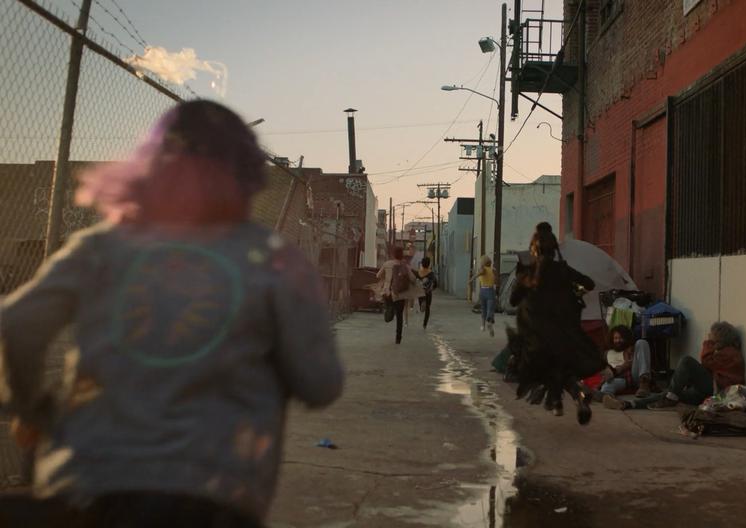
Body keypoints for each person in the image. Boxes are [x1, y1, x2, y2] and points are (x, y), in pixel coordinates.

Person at [0, 100, 344, 528]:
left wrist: (32, 410)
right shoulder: (271, 258)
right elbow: (321, 384)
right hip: (218, 489)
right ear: (245, 172)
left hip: (87, 479)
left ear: (149, 167)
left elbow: (15, 325)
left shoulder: (101, 246)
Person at [509, 222, 604, 424]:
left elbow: (512, 301)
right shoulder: (563, 270)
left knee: (536, 367)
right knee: (564, 367)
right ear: (554, 249)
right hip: (564, 335)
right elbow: (589, 283)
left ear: (534, 248)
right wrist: (575, 293)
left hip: (537, 338)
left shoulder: (529, 273)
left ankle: (556, 402)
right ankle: (577, 395)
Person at [615, 321, 745, 410]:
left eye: (711, 335)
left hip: (717, 391)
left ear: (719, 337)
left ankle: (671, 396)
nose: (709, 336)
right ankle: (630, 404)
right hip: (706, 391)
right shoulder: (724, 352)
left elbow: (706, 361)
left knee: (687, 361)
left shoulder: (730, 353)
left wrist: (708, 343)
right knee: (668, 394)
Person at [590, 326, 654, 409]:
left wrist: (619, 368)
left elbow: (632, 363)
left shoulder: (630, 349)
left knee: (642, 342)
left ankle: (644, 382)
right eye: (615, 338)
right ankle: (610, 400)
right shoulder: (607, 353)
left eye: (621, 338)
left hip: (632, 376)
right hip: (616, 379)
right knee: (607, 385)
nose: (618, 340)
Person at [376, 246, 418, 344]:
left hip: (388, 293)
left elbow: (378, 275)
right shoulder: (405, 266)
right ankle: (398, 338)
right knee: (400, 316)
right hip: (400, 294)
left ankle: (390, 310)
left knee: (389, 311)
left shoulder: (387, 264)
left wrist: (386, 278)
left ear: (393, 254)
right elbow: (413, 279)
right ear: (402, 255)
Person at [470, 255, 497, 336]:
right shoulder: (492, 270)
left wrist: (471, 279)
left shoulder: (483, 269)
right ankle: (489, 323)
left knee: (483, 308)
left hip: (482, 291)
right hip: (490, 290)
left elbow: (479, 274)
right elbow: (496, 280)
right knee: (490, 309)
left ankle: (483, 325)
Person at [417, 257, 438, 329]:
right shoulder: (431, 273)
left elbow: (414, 281)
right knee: (428, 308)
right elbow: (435, 283)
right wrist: (433, 288)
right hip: (428, 292)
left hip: (420, 292)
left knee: (422, 306)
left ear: (422, 264)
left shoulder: (419, 272)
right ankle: (424, 324)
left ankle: (421, 305)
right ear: (429, 264)